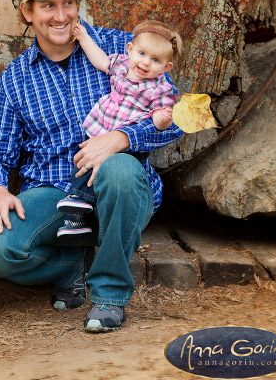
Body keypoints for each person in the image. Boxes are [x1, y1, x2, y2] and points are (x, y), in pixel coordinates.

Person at [0, 0, 183, 332]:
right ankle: (72, 267)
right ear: (27, 11)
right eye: (48, 6)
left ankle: (109, 298)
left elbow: (177, 116)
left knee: (118, 168)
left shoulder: (124, 48)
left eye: (68, 3)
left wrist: (123, 138)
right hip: (57, 192)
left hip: (120, 187)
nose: (61, 15)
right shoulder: (14, 80)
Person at [55, 20, 182, 236]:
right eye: (141, 53)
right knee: (84, 163)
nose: (145, 63)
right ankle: (76, 216)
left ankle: (78, 202)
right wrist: (84, 38)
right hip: (101, 125)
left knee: (109, 173)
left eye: (155, 60)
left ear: (166, 67)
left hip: (125, 143)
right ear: (130, 50)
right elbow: (101, 61)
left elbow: (161, 121)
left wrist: (164, 118)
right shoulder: (122, 65)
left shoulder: (160, 88)